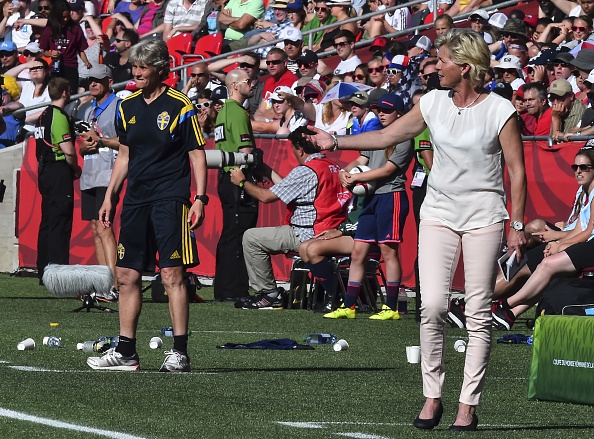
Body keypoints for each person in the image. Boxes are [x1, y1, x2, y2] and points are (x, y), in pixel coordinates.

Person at [310, 28, 526, 431]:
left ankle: (467, 406)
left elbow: (517, 171)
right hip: (439, 212)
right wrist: (337, 142)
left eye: (442, 60)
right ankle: (432, 397)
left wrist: (516, 223)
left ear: (465, 66)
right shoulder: (431, 102)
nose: (435, 67)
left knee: (478, 311)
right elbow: (390, 135)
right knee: (431, 307)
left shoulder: (500, 109)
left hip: (485, 214)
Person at [85, 39, 207, 372]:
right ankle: (126, 351)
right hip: (136, 198)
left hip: (171, 198)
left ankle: (179, 351)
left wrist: (199, 198)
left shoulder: (180, 105)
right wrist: (110, 195)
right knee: (125, 274)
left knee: (171, 274)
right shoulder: (127, 106)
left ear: (161, 69)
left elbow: (197, 154)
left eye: (143, 67)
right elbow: (124, 156)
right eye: (135, 67)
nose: (137, 73)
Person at [229, 126, 348, 309]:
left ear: (299, 149)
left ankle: (269, 294)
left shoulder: (305, 171)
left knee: (251, 238)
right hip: (329, 230)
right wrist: (266, 170)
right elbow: (289, 187)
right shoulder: (332, 166)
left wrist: (242, 182)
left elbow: (266, 197)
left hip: (307, 233)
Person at [324, 92, 413, 320]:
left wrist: (358, 178)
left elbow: (388, 170)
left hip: (391, 196)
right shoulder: (375, 135)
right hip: (373, 197)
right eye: (379, 110)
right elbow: (361, 161)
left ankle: (391, 307)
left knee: (388, 251)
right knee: (358, 252)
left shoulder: (404, 138)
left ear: (399, 114)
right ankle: (349, 306)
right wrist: (346, 171)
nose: (381, 114)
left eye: (387, 110)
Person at [213, 68, 259, 302]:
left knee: (230, 233)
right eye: (248, 81)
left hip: (224, 177)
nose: (253, 84)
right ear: (234, 86)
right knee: (240, 234)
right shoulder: (237, 112)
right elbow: (245, 151)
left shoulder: (222, 112)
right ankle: (234, 288)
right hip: (236, 178)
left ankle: (224, 287)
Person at [77, 64, 121, 302]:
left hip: (110, 172)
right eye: (89, 81)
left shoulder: (118, 106)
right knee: (95, 228)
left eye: (97, 80)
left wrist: (101, 141)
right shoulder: (86, 109)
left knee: (104, 227)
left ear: (109, 81)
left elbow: (126, 139)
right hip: (90, 172)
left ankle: (114, 284)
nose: (92, 84)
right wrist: (86, 146)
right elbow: (84, 145)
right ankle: (103, 284)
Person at [34, 77, 82, 284]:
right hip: (57, 170)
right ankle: (57, 270)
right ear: (65, 92)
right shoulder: (57, 115)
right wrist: (76, 168)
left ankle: (44, 268)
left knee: (48, 220)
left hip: (45, 170)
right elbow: (68, 150)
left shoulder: (43, 115)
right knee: (60, 221)